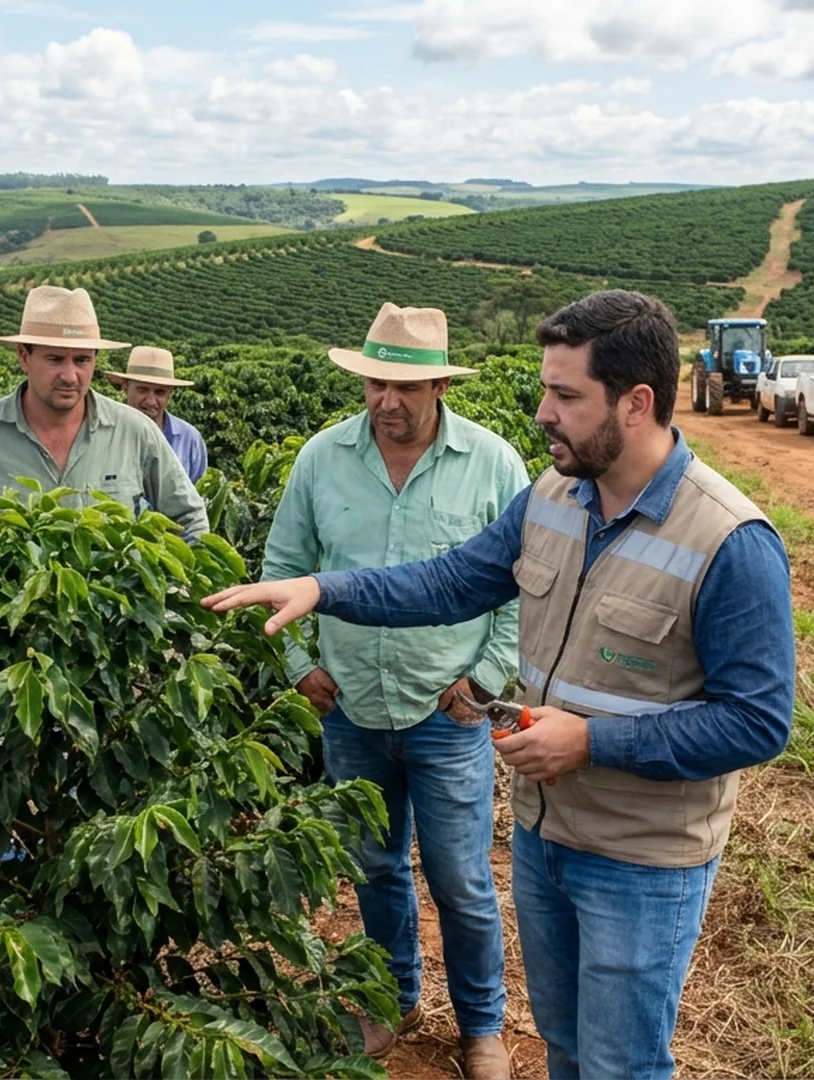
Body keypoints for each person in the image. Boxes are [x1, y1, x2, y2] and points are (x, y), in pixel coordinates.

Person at [205, 289, 795, 1079]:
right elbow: (449, 584)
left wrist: (589, 740)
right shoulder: (551, 499)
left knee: (620, 1062)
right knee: (566, 1048)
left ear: (636, 403)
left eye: (565, 396)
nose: (543, 413)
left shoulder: (730, 541)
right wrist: (323, 590)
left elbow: (757, 722)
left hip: (642, 860)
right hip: (545, 836)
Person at [259, 303, 526, 1077]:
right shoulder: (321, 459)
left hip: (448, 712)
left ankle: (481, 1026)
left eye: (406, 386)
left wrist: (484, 677)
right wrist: (298, 665)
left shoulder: (493, 463)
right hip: (349, 707)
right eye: (377, 382)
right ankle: (393, 1002)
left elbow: (519, 585)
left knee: (462, 881)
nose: (388, 401)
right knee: (374, 865)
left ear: (441, 383)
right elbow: (286, 562)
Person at [0, 286, 208, 538]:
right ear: (24, 357)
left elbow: (189, 517)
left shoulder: (136, 432)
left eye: (82, 360)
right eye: (55, 359)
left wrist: (173, 594)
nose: (70, 376)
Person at [109, 345, 208, 482]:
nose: (150, 401)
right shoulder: (105, 434)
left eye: (160, 392)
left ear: (170, 394)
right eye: (142, 390)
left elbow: (199, 495)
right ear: (125, 388)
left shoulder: (190, 439)